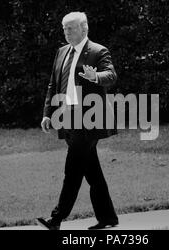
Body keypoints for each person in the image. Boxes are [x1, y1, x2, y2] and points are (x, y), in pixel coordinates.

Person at [37, 12, 119, 230]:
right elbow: (52, 85)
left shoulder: (98, 51)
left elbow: (111, 75)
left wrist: (96, 77)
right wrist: (47, 113)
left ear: (84, 28)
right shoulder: (61, 52)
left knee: (72, 168)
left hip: (90, 119)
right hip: (67, 117)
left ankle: (56, 219)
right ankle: (108, 218)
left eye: (70, 28)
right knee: (92, 171)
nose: (66, 32)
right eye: (64, 28)